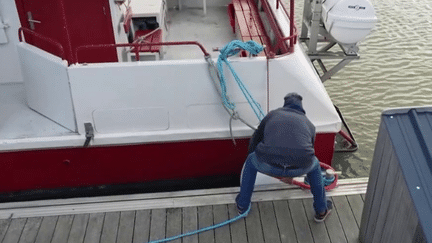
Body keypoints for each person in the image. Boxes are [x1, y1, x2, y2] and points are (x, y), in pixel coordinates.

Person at [235, 92, 332, 222]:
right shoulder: (309, 124)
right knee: (314, 164)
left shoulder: (273, 115)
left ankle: (242, 205)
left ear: (285, 104)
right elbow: (309, 152)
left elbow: (256, 138)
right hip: (299, 168)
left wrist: (254, 156)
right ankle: (321, 210)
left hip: (269, 164)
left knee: (251, 161)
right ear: (301, 107)